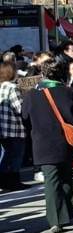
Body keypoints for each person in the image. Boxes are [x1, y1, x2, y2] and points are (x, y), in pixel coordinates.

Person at [20, 57, 73, 232]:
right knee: (66, 176)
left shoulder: (31, 95)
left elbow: (25, 118)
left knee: (51, 180)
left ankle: (56, 218)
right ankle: (68, 212)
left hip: (42, 142)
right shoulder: (68, 92)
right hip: (66, 141)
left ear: (43, 73)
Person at [0, 57, 27, 191]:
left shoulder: (1, 86)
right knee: (16, 155)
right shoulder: (13, 87)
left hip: (3, 127)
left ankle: (4, 181)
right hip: (14, 127)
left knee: (6, 154)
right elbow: (20, 108)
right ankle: (14, 181)